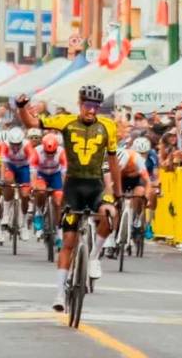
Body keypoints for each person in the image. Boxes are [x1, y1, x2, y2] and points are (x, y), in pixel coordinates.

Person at [16, 85, 121, 312]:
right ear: (80, 104)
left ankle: (94, 257)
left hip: (96, 187)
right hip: (73, 187)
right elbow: (32, 123)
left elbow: (113, 162)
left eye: (95, 107)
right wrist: (21, 108)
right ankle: (60, 293)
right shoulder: (66, 121)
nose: (91, 110)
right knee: (69, 242)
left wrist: (118, 192)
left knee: (111, 214)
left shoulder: (109, 126)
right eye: (87, 105)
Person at [0, 127, 34, 241]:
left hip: (24, 168)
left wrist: (32, 182)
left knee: (25, 195)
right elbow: (3, 164)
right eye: (12, 144)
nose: (15, 147)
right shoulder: (5, 145)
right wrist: (1, 179)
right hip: (11, 167)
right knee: (7, 181)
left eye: (18, 144)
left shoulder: (27, 145)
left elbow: (33, 166)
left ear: (22, 141)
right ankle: (5, 215)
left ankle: (23, 225)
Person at [30, 133, 67, 243]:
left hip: (55, 174)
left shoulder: (61, 152)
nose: (50, 155)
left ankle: (58, 230)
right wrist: (33, 186)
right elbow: (33, 172)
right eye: (48, 153)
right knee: (40, 191)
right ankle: (39, 212)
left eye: (52, 153)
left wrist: (64, 188)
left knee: (59, 200)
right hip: (41, 175)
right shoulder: (36, 151)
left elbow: (64, 173)